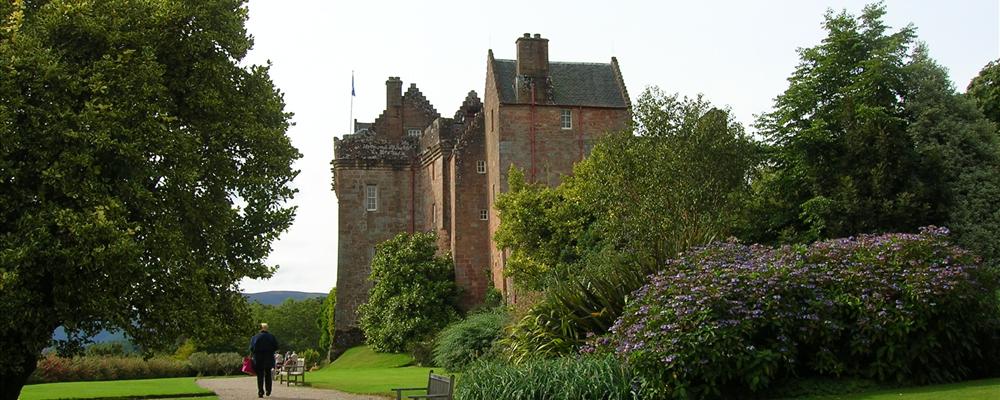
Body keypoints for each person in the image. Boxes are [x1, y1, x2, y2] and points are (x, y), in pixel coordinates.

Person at [249, 323, 278, 398]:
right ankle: (268, 390)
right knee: (268, 374)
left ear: (260, 328)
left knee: (260, 376)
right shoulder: (271, 337)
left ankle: (260, 392)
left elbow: (251, 348)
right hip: (268, 358)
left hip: (258, 359)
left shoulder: (255, 337)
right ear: (267, 328)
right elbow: (276, 347)